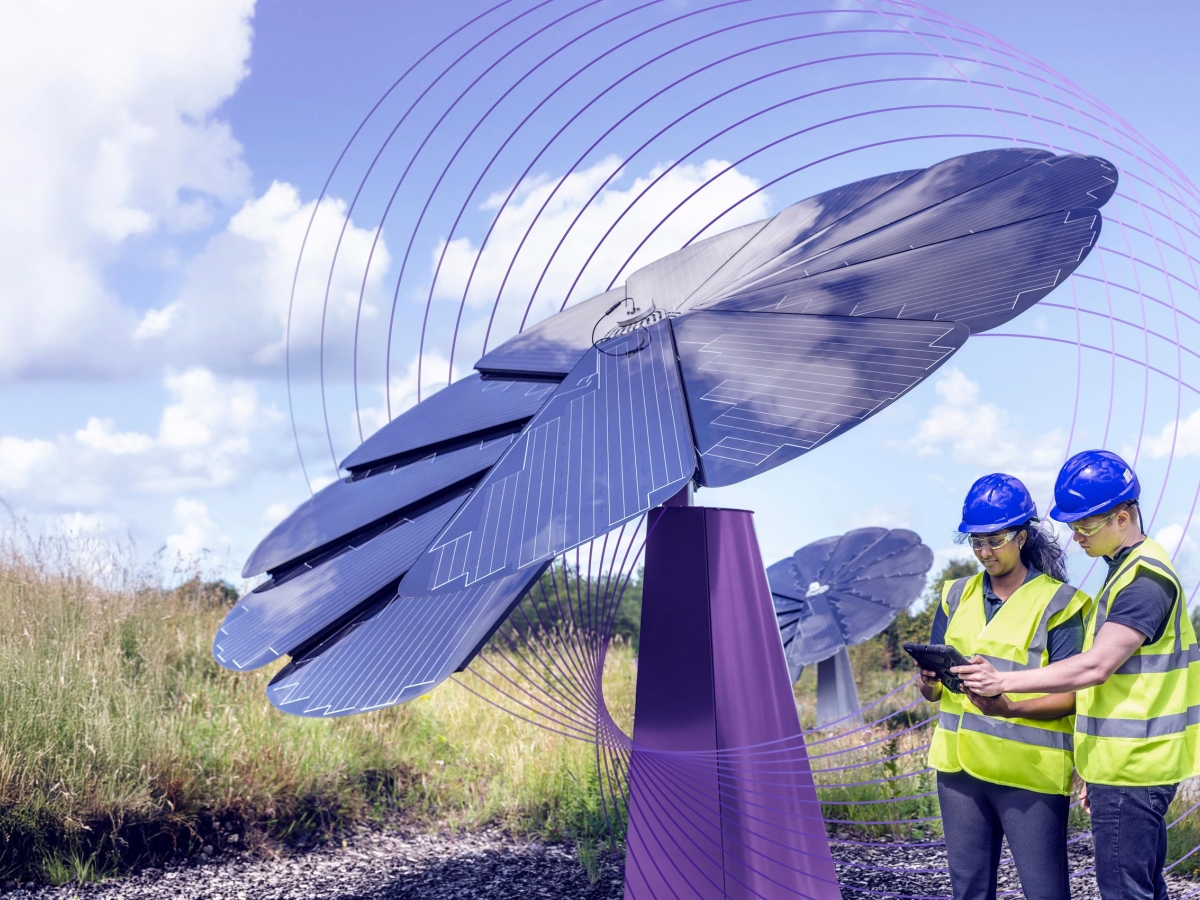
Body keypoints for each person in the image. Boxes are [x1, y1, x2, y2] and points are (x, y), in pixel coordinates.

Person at [956, 450, 1199, 900]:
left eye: (1085, 526)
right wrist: (1090, 770)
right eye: (1072, 527)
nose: (1076, 537)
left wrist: (1003, 682)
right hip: (1122, 767)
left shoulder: (1146, 581)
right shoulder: (1124, 573)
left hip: (1135, 769)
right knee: (1143, 889)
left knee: (1126, 893)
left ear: (1122, 517)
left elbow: (1096, 665)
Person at [919, 473, 1092, 900]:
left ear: (1021, 536)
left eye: (994, 541)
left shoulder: (1062, 602)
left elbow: (1074, 693)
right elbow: (933, 694)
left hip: (1027, 772)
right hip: (959, 772)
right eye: (976, 542)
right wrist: (927, 682)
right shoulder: (954, 595)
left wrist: (1010, 706)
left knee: (1045, 892)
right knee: (969, 890)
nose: (984, 552)